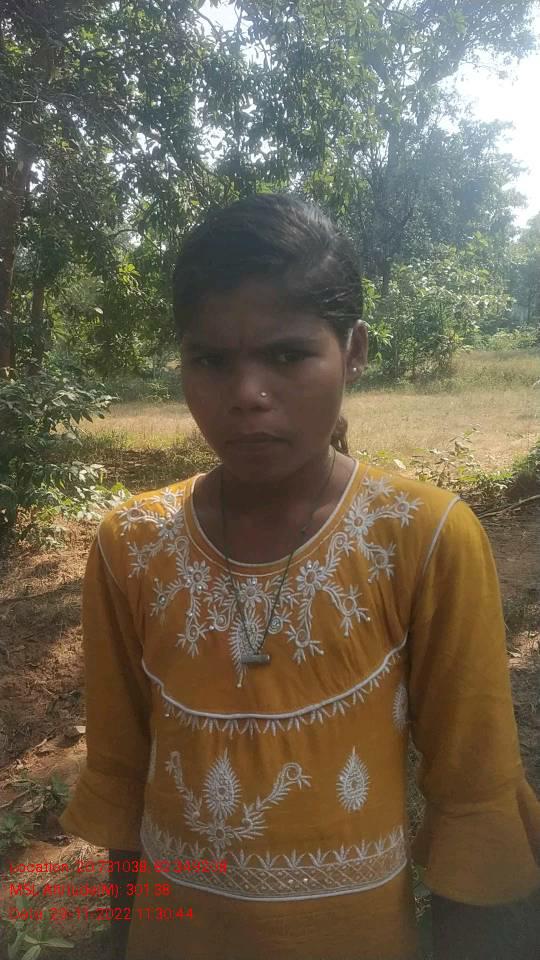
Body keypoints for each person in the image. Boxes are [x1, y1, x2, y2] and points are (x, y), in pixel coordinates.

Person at [59, 192, 540, 960]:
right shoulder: (132, 545)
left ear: (354, 352)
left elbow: (474, 793)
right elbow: (121, 777)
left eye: (287, 356)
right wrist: (123, 938)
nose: (247, 394)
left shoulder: (424, 537)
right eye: (211, 360)